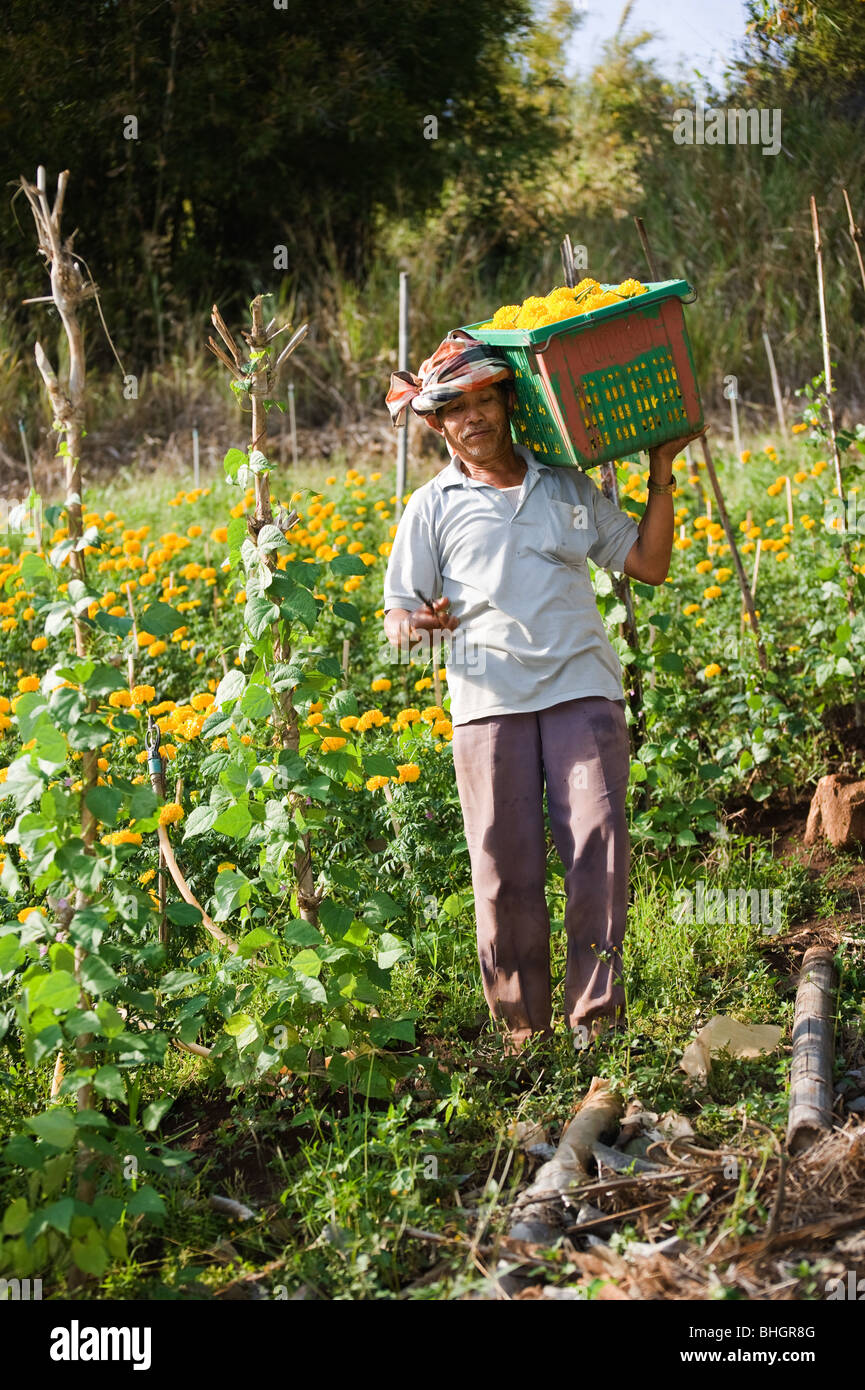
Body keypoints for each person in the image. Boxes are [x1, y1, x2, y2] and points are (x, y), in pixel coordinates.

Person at [382, 329, 706, 1054]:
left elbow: (648, 564)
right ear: (436, 425)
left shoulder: (562, 484)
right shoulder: (431, 508)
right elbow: (397, 619)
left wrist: (660, 472)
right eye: (456, 410)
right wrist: (420, 626)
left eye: (485, 401)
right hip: (487, 702)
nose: (474, 419)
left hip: (580, 688)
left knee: (598, 846)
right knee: (503, 866)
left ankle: (595, 1021)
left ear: (507, 403)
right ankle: (521, 1030)